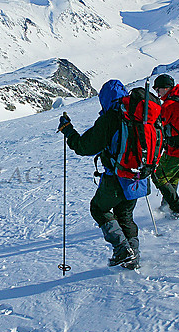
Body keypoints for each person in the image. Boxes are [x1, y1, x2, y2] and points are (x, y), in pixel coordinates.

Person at [57, 80, 142, 269]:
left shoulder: (111, 118)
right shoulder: (139, 114)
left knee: (98, 208)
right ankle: (133, 256)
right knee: (125, 215)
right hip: (139, 177)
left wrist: (68, 130)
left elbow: (83, 146)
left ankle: (122, 250)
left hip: (116, 177)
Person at [151, 74, 179, 219]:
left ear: (165, 88)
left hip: (176, 150)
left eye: (158, 90)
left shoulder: (169, 105)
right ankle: (166, 205)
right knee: (172, 178)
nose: (158, 93)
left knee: (158, 175)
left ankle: (178, 208)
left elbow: (158, 123)